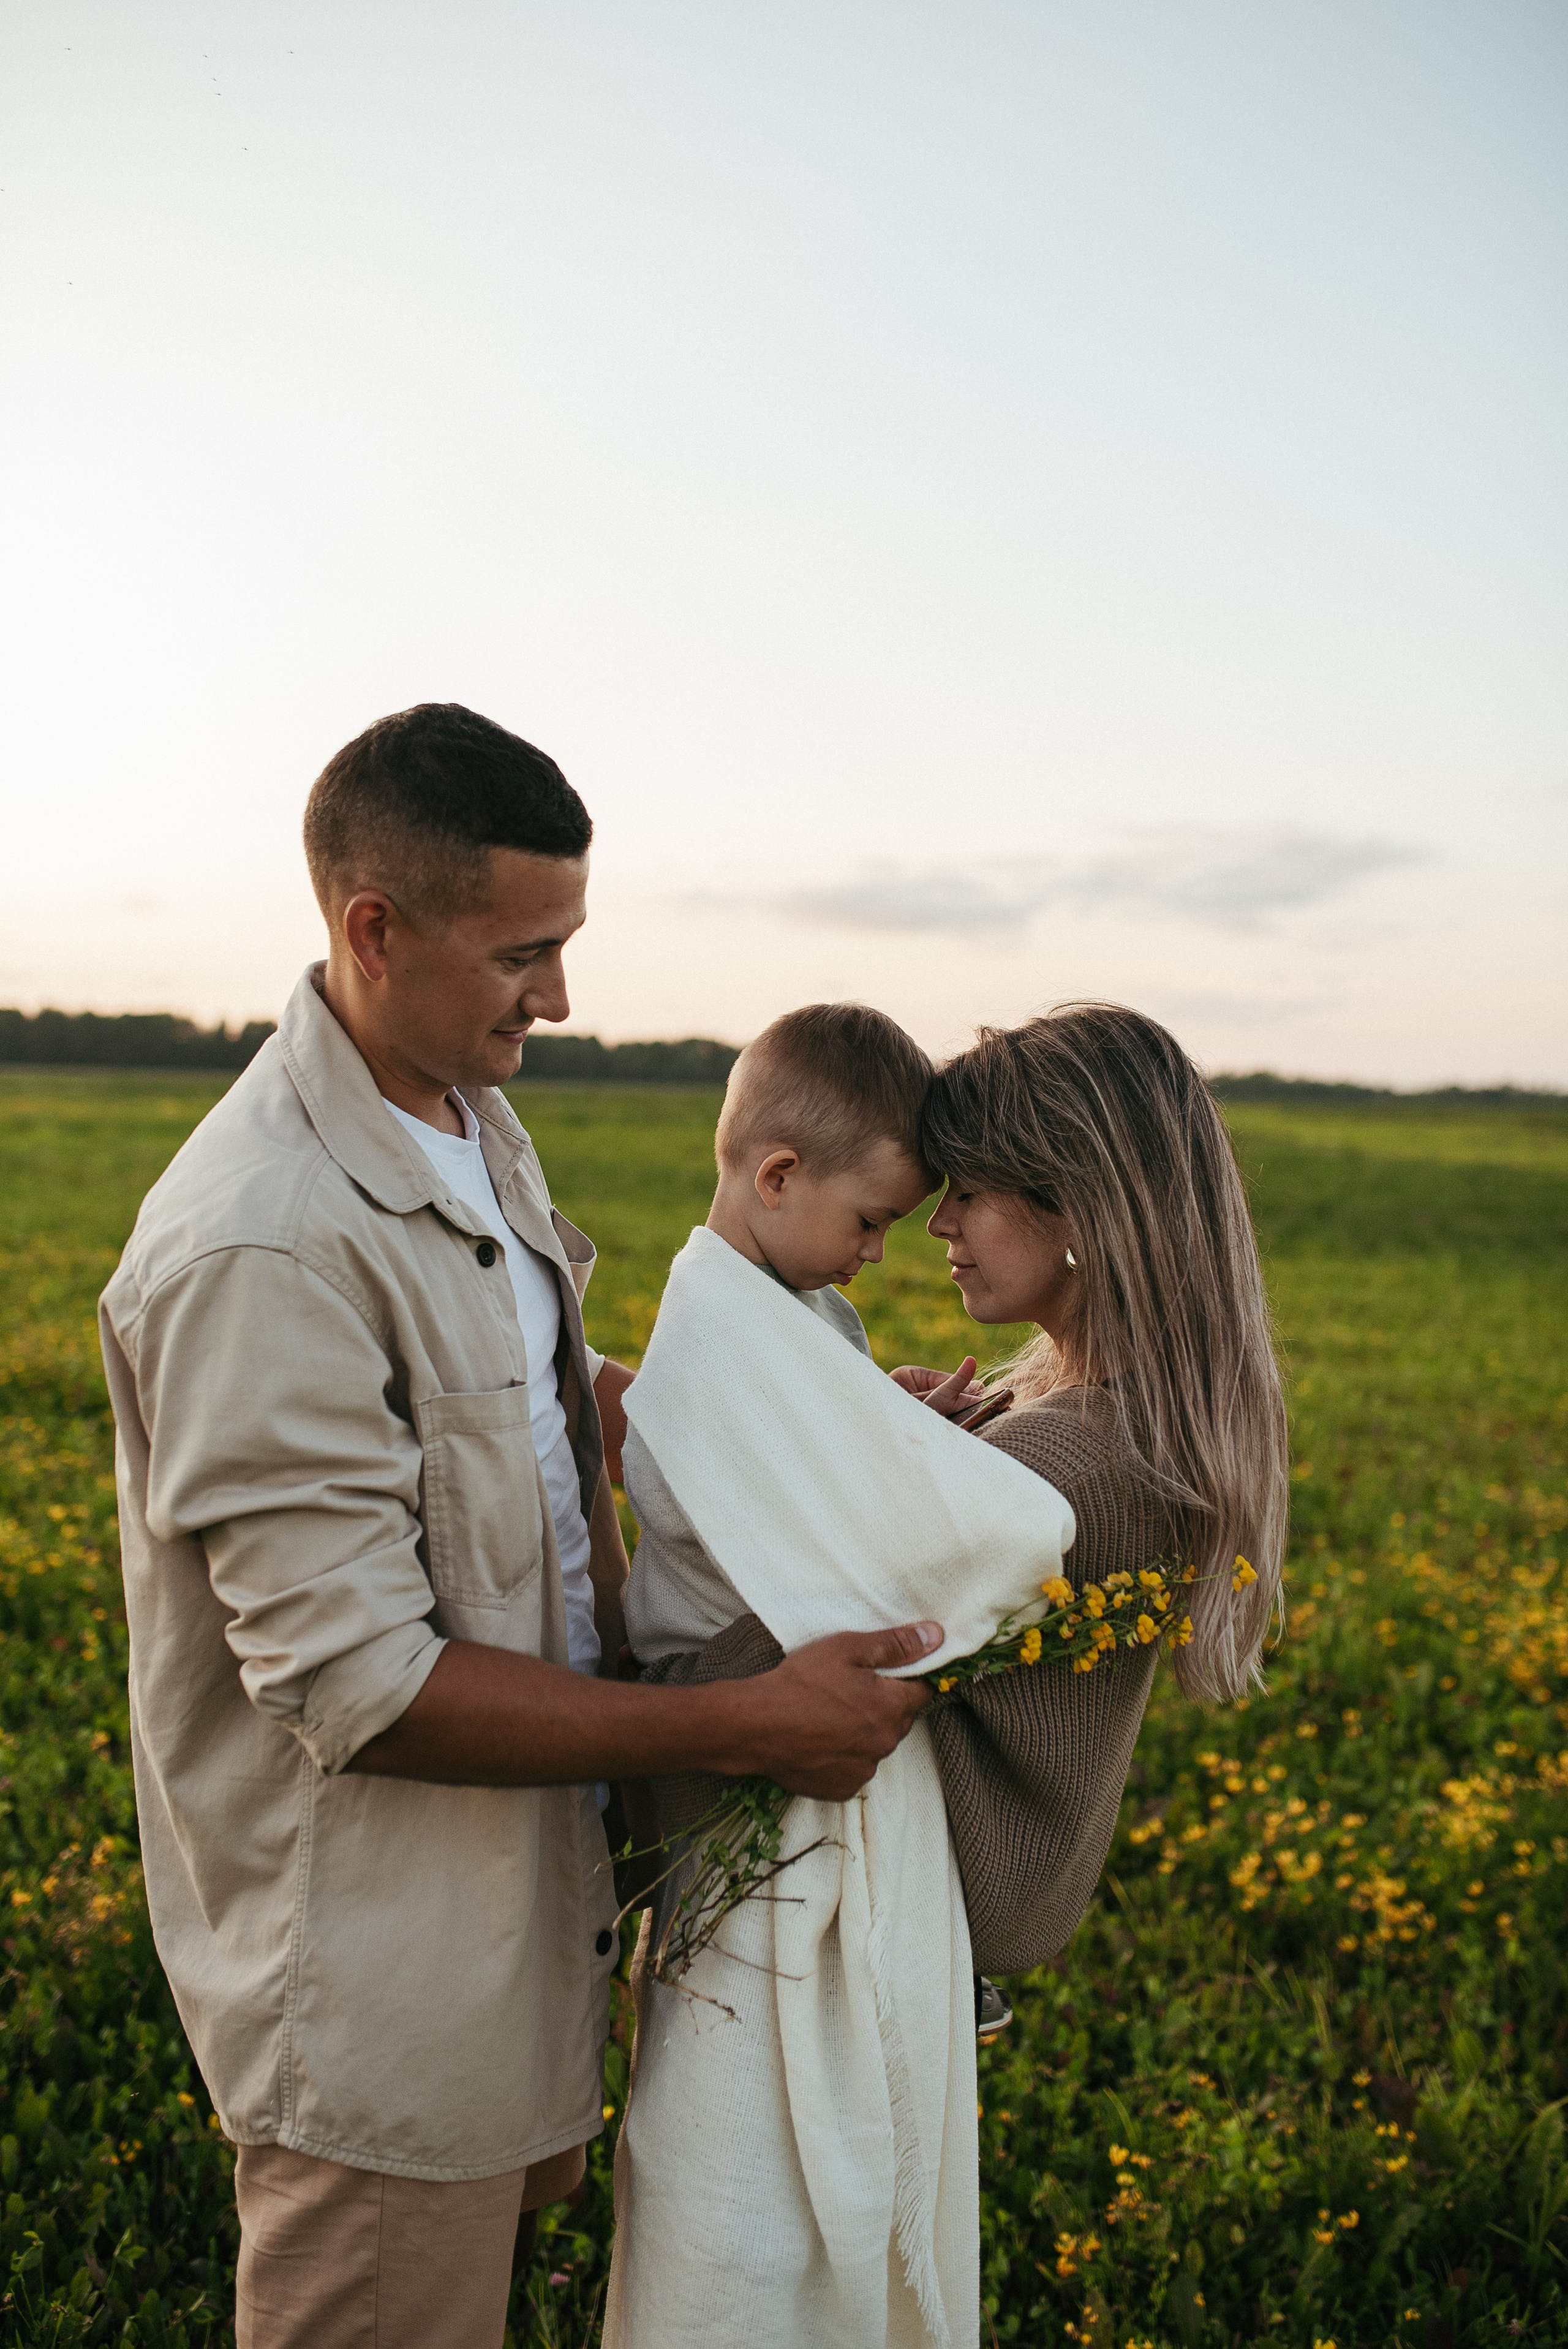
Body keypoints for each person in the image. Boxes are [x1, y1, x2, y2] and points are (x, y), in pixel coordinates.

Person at [97, 706, 940, 2349]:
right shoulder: (261, 1242)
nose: (557, 996)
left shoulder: (467, 1115)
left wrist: (827, 1414)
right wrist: (752, 1722)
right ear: (372, 928)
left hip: (521, 1932)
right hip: (381, 1986)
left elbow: (537, 1406)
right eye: (522, 953)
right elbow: (361, 1684)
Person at [606, 1000, 1288, 2349]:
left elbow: (764, 1658)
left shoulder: (1077, 1468)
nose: (935, 1225)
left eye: (967, 1191)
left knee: (741, 2277)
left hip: (844, 1960)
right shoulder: (1062, 1422)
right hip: (857, 1937)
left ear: (1079, 1206)